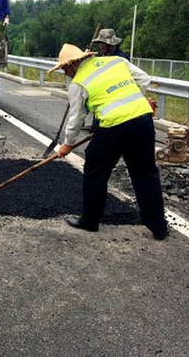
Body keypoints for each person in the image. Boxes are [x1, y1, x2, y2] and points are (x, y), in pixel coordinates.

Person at [48, 43, 169, 240]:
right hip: (142, 121)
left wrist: (67, 144)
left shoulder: (79, 83)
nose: (64, 73)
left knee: (95, 171)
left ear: (73, 64)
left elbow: (76, 119)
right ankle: (159, 227)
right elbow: (144, 79)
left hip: (113, 128)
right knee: (145, 174)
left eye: (64, 68)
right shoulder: (117, 61)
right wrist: (129, 103)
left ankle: (90, 220)